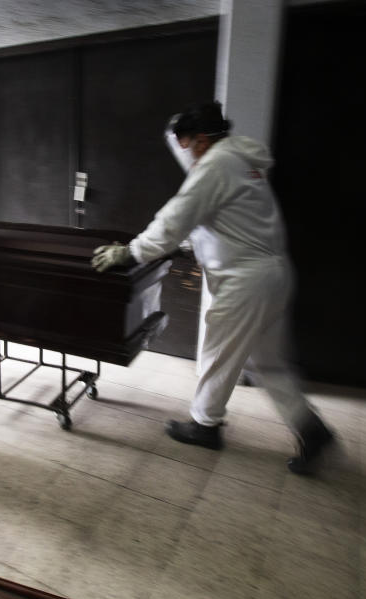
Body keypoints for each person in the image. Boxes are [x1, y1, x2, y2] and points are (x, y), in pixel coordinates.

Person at [91, 102, 334, 474]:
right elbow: (228, 221)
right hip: (270, 272)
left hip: (245, 281)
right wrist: (193, 246)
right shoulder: (241, 161)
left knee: (218, 353)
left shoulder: (215, 165)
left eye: (184, 144)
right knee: (267, 362)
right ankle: (311, 429)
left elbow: (176, 217)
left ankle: (205, 426)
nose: (183, 153)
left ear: (201, 141)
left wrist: (131, 252)